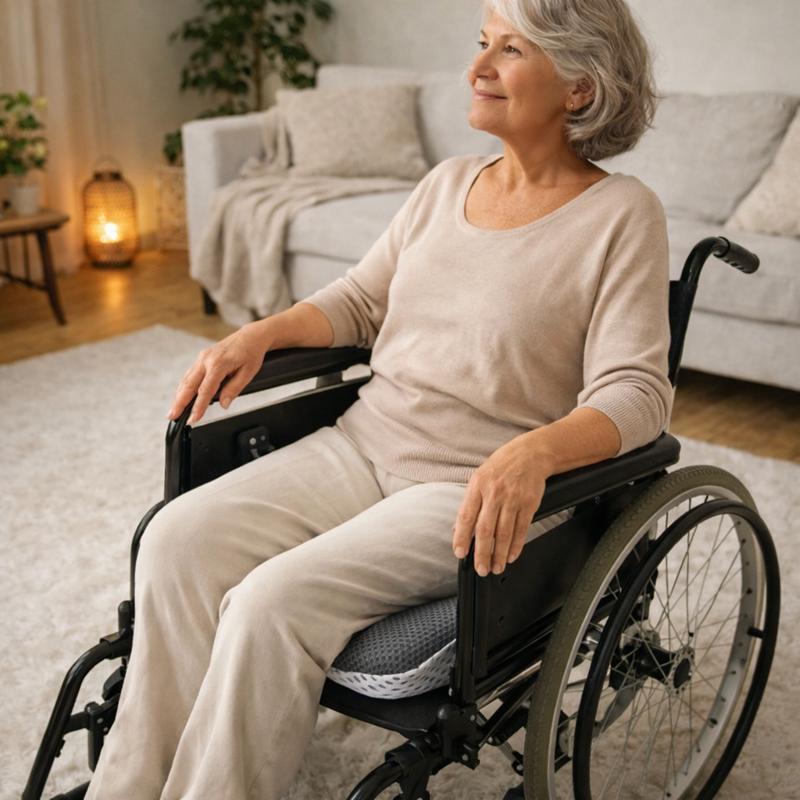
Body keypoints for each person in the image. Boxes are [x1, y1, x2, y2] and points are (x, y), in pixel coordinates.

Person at [84, 0, 673, 797]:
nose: (477, 69)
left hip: (463, 491)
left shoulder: (621, 215)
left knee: (270, 605)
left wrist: (536, 450)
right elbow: (361, 301)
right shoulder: (445, 185)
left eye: (510, 50)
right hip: (360, 444)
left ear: (578, 87)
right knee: (176, 542)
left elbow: (639, 393)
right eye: (480, 45)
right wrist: (264, 331)